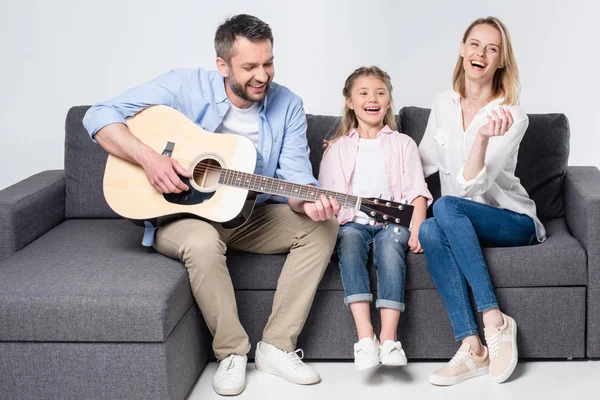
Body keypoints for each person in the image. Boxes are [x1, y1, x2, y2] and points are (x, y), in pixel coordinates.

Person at [83, 14, 340, 397]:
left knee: (324, 226)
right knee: (202, 242)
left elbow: (297, 177)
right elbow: (98, 115)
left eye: (268, 63)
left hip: (249, 214)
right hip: (183, 215)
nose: (263, 75)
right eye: (250, 66)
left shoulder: (288, 105)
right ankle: (232, 353)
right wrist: (149, 158)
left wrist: (308, 200)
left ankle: (277, 346)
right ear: (222, 65)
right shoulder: (184, 86)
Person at [418, 17, 546, 386]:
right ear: (462, 49)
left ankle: (495, 320)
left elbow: (471, 187)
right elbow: (422, 160)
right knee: (428, 228)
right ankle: (472, 347)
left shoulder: (510, 116)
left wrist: (483, 138)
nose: (481, 54)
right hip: (458, 221)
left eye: (492, 49)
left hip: (510, 220)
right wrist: (368, 143)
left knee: (445, 206)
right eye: (475, 44)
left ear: (500, 61)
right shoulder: (443, 103)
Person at [318, 66, 432, 371]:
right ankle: (365, 339)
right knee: (350, 240)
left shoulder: (403, 144)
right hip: (350, 224)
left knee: (391, 245)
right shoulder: (337, 150)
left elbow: (417, 191)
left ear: (389, 101)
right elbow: (327, 199)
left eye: (380, 93)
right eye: (364, 93)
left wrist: (417, 227)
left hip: (392, 224)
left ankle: (389, 339)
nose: (373, 99)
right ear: (350, 101)